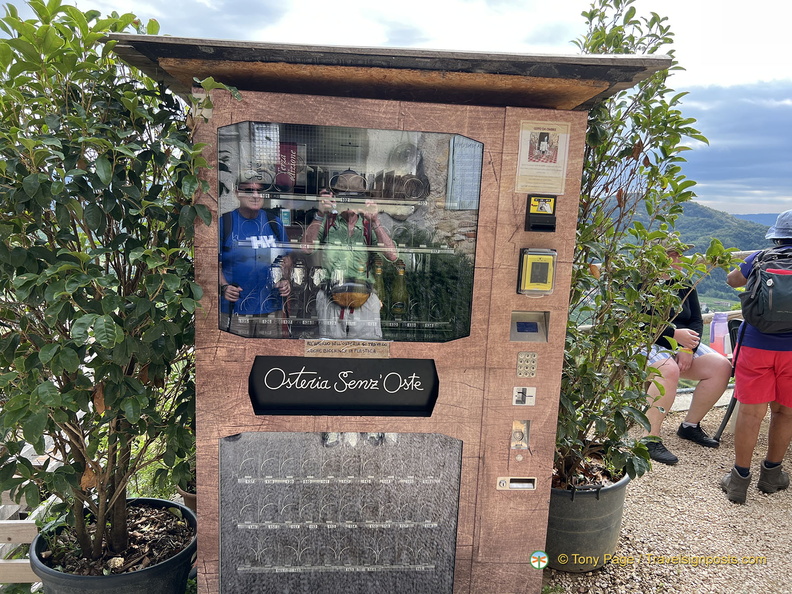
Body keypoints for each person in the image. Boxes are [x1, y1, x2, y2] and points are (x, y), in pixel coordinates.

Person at [721, 209, 792, 503]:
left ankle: (739, 481)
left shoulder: (760, 257)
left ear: (777, 236)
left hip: (756, 344)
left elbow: (732, 280)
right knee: (785, 412)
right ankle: (772, 475)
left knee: (751, 413)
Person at [642, 246, 733, 465]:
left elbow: (696, 320)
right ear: (659, 255)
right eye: (675, 254)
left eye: (681, 254)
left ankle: (690, 426)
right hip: (644, 341)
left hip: (683, 343)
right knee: (668, 370)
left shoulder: (683, 282)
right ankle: (650, 438)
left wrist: (687, 349)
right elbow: (637, 322)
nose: (680, 258)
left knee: (721, 367)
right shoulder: (640, 282)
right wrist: (673, 334)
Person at [302, 186, 398, 339]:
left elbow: (392, 255)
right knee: (329, 350)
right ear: (336, 199)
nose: (349, 203)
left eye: (355, 198)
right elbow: (306, 248)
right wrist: (320, 214)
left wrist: (375, 221)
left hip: (364, 298)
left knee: (367, 349)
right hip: (330, 298)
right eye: (345, 197)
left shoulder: (368, 225)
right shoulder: (326, 222)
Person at [220, 170, 291, 338]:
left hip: (270, 308)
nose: (255, 195)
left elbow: (287, 259)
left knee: (269, 354)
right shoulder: (225, 222)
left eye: (260, 190)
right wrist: (224, 287)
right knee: (235, 354)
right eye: (249, 190)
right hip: (235, 309)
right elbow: (213, 264)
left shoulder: (274, 223)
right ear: (237, 192)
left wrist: (285, 280)